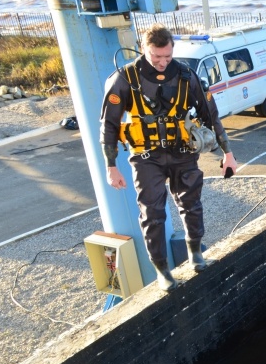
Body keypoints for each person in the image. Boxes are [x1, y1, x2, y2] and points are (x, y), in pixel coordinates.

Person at [100, 23, 237, 291]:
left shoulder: (187, 76)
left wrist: (228, 153)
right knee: (152, 214)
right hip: (146, 156)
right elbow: (109, 125)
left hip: (182, 152)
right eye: (156, 57)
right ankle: (162, 269)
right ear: (144, 49)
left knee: (192, 204)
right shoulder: (124, 79)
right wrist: (110, 166)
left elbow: (211, 115)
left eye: (167, 56)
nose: (162, 62)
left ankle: (195, 252)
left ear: (173, 50)